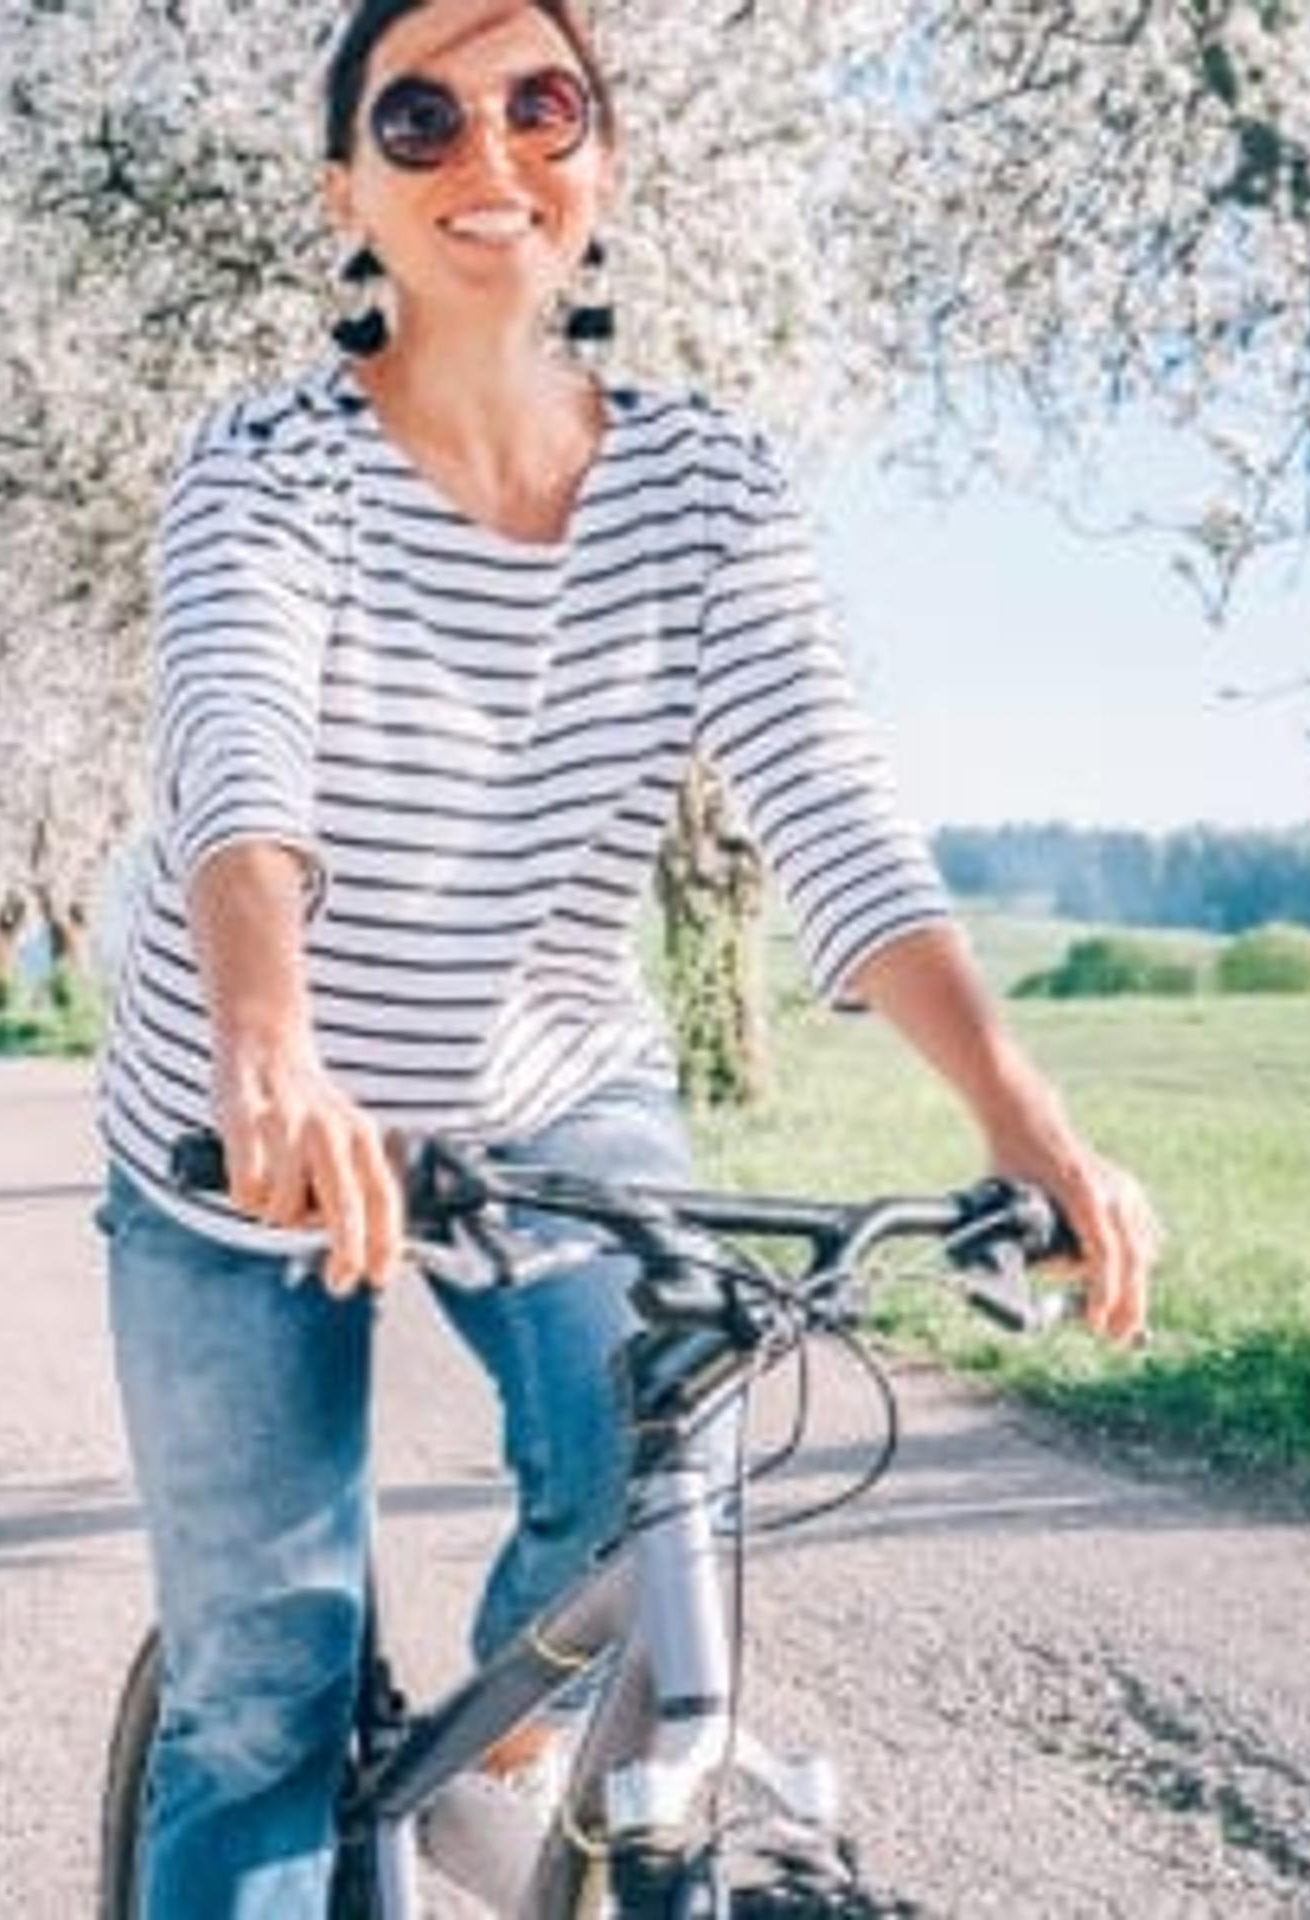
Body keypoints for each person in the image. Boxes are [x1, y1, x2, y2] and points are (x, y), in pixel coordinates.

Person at [93, 1, 1162, 1909]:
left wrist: (1029, 1118)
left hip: (548, 1080)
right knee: (263, 1694)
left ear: (601, 166)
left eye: (540, 106)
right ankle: (323, 1790)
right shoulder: (266, 466)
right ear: (346, 189)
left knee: (654, 1479)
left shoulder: (706, 486)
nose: (485, 156)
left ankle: (474, 1783)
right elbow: (238, 765)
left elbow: (831, 808)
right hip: (248, 1126)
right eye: (419, 120)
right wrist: (274, 1050)